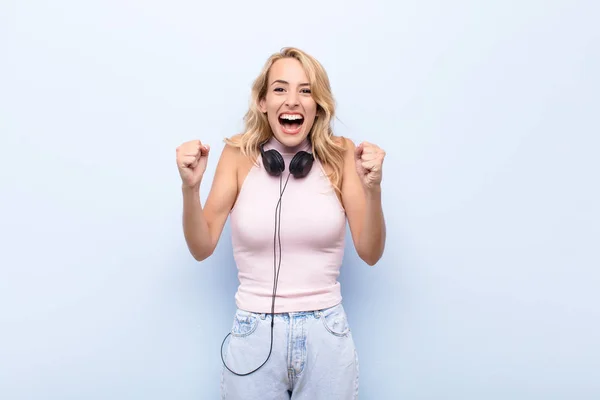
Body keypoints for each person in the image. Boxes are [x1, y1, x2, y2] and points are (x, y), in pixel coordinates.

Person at [175, 47, 386, 399]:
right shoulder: (238, 155)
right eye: (280, 89)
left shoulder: (341, 154)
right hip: (253, 331)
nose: (293, 100)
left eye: (306, 91)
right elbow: (201, 247)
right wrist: (189, 188)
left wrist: (374, 189)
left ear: (318, 103)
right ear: (262, 101)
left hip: (326, 333)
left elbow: (371, 252)